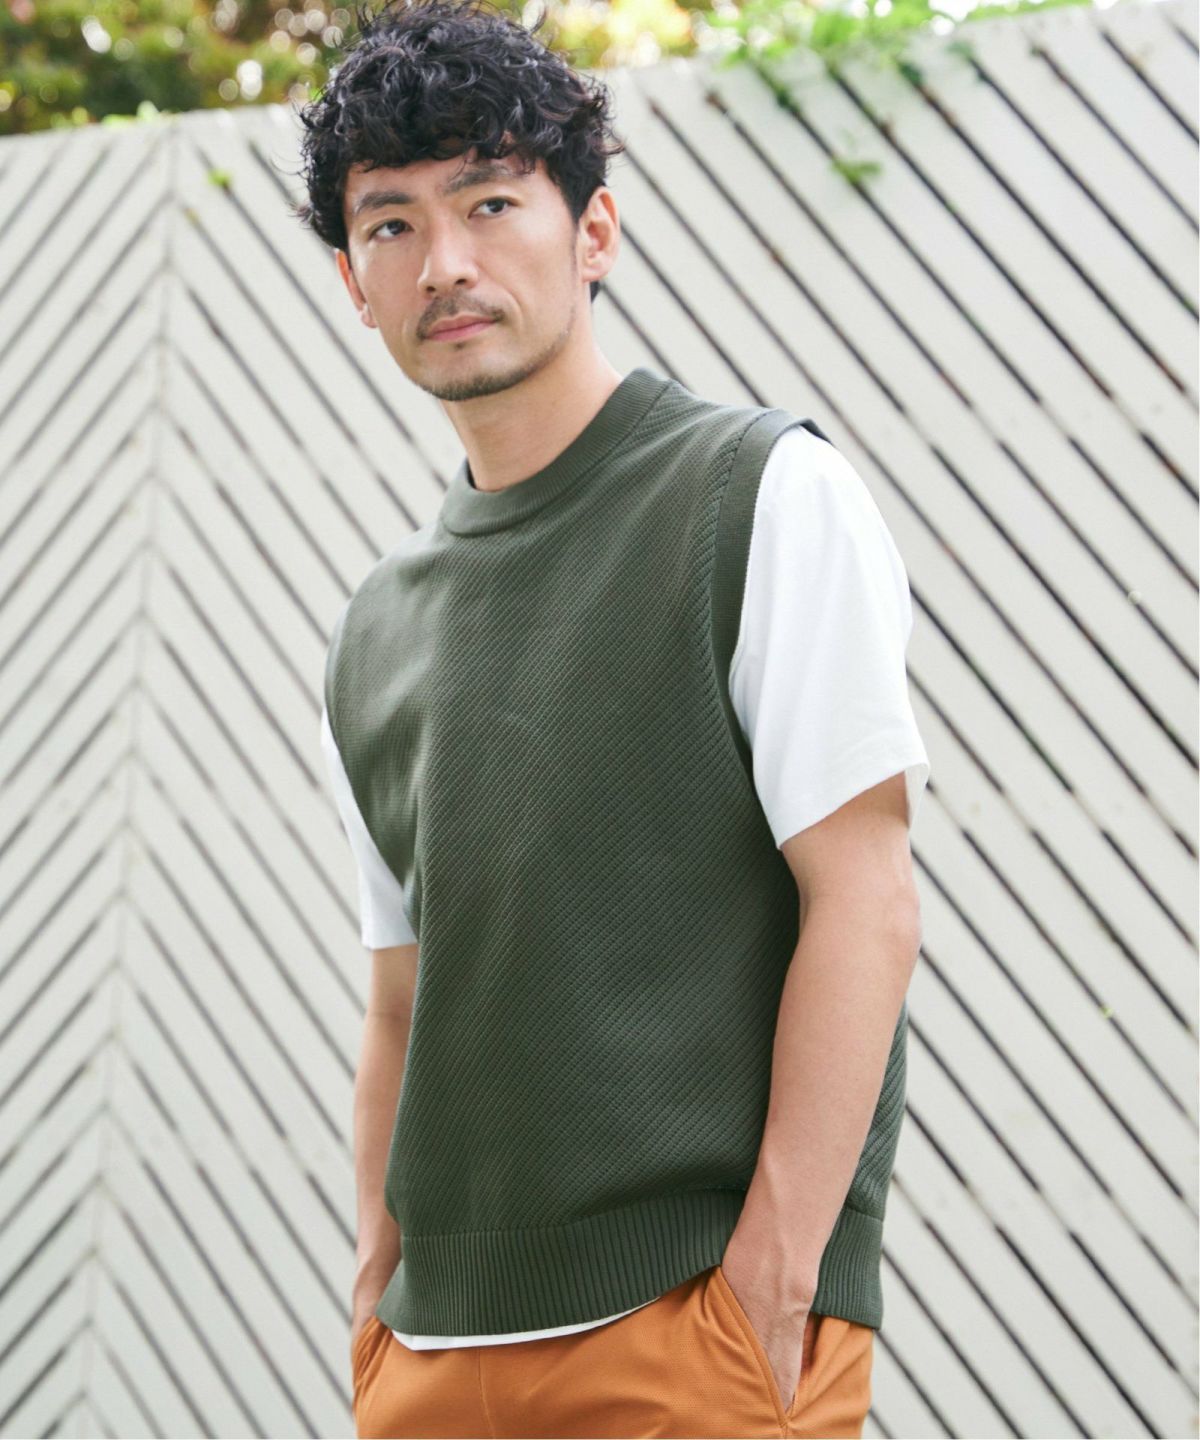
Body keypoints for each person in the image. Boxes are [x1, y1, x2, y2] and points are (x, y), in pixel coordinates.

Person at [296, 1, 931, 1434]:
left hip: (692, 1335)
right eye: (392, 224)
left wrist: (774, 1278)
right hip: (431, 1360)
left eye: (490, 201)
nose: (445, 263)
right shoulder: (375, 628)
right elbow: (400, 997)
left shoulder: (759, 496)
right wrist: (376, 1286)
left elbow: (867, 898)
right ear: (354, 282)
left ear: (594, 232)